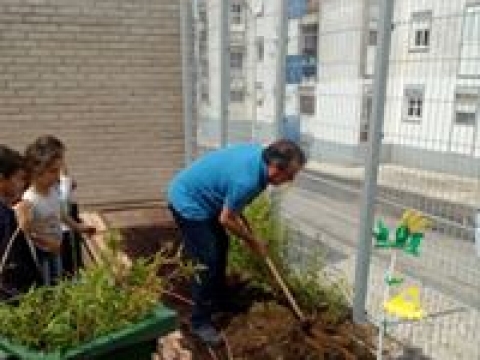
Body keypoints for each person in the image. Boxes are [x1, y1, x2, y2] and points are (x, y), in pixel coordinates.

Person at [167, 139, 306, 346]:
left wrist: (235, 207)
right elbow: (226, 219)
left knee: (221, 246)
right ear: (275, 168)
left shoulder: (260, 157)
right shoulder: (247, 181)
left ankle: (219, 299)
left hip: (206, 199)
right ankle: (200, 321)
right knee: (206, 261)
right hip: (189, 201)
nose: (291, 179)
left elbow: (230, 200)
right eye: (291, 174)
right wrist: (252, 241)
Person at [21, 136, 94, 285]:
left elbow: (60, 214)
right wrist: (47, 242)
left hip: (56, 247)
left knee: (58, 280)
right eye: (53, 171)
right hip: (42, 253)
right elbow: (25, 230)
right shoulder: (29, 200)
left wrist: (79, 227)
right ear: (37, 171)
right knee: (46, 285)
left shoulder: (53, 190)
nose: (58, 176)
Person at [0, 145, 39, 299]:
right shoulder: (7, 216)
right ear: (2, 180)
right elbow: (13, 265)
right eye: (19, 178)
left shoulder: (11, 209)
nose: (23, 184)